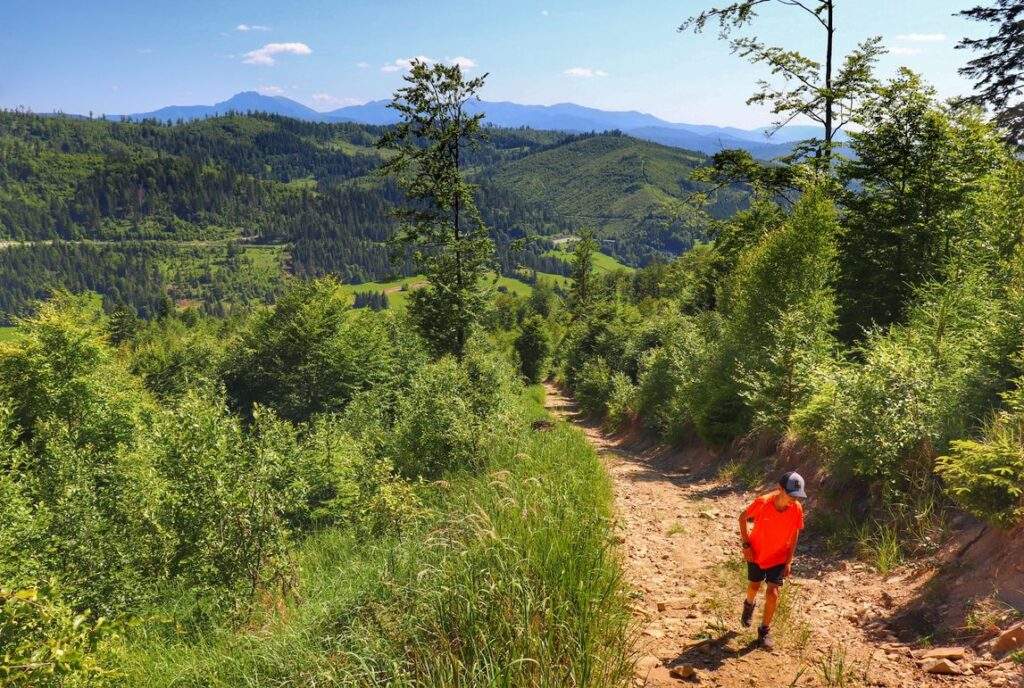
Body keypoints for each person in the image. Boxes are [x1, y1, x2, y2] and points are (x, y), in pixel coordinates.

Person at [737, 471, 807, 650]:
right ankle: (749, 605)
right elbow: (742, 517)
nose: (794, 499)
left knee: (773, 593)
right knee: (754, 586)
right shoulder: (763, 502)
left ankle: (764, 631)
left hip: (778, 556)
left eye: (797, 496)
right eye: (791, 495)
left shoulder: (796, 508)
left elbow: (795, 532)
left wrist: (789, 560)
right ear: (780, 489)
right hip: (756, 553)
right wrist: (746, 546)